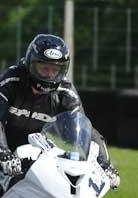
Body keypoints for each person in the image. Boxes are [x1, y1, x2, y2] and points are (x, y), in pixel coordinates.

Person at [0, 34, 120, 189]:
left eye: (55, 69)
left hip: (34, 156)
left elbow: (84, 129)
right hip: (5, 151)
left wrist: (105, 165)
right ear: (31, 64)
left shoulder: (66, 92)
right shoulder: (10, 81)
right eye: (44, 68)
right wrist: (3, 153)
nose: (50, 75)